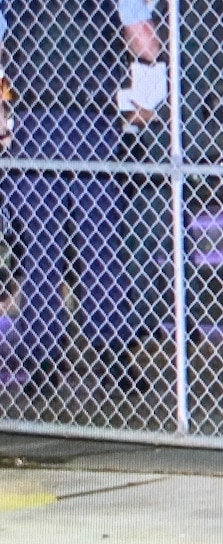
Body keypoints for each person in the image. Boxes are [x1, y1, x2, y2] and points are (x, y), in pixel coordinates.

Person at [0, 0, 166, 393]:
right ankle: (112, 355)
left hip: (36, 124)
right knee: (100, 245)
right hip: (90, 123)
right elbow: (145, 44)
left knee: (40, 248)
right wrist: (146, 89)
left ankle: (43, 361)